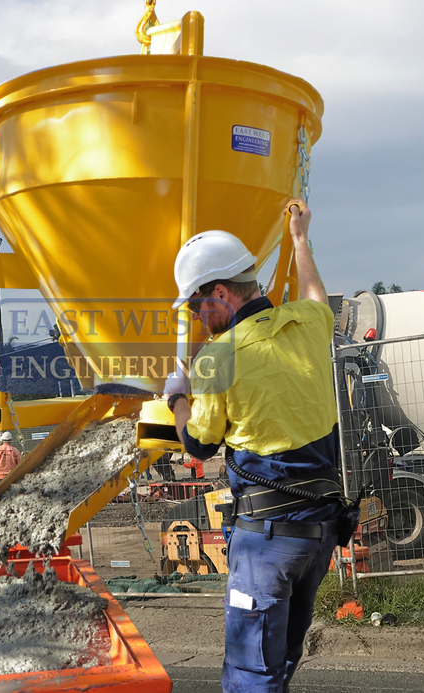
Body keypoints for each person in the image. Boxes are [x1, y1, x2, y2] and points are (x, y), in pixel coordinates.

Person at [165, 200, 344, 693]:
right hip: (319, 535)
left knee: (252, 672)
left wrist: (177, 398)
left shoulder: (217, 358)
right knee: (282, 659)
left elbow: (198, 445)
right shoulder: (307, 325)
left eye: (197, 305)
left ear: (220, 293)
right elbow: (315, 295)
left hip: (267, 540)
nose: (198, 317)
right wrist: (300, 240)